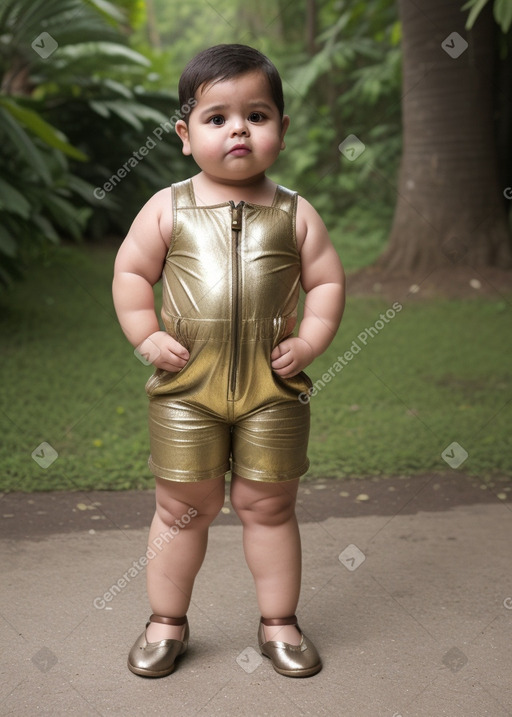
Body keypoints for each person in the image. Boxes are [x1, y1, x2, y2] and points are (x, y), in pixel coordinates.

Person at [112, 43, 345, 679]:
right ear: (186, 135)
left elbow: (324, 283)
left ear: (282, 130)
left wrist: (311, 341)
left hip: (275, 387)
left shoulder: (295, 214)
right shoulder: (169, 207)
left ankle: (279, 621)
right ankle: (166, 619)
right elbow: (132, 271)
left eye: (257, 114)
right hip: (187, 386)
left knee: (269, 504)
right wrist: (145, 334)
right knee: (181, 506)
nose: (238, 128)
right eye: (217, 118)